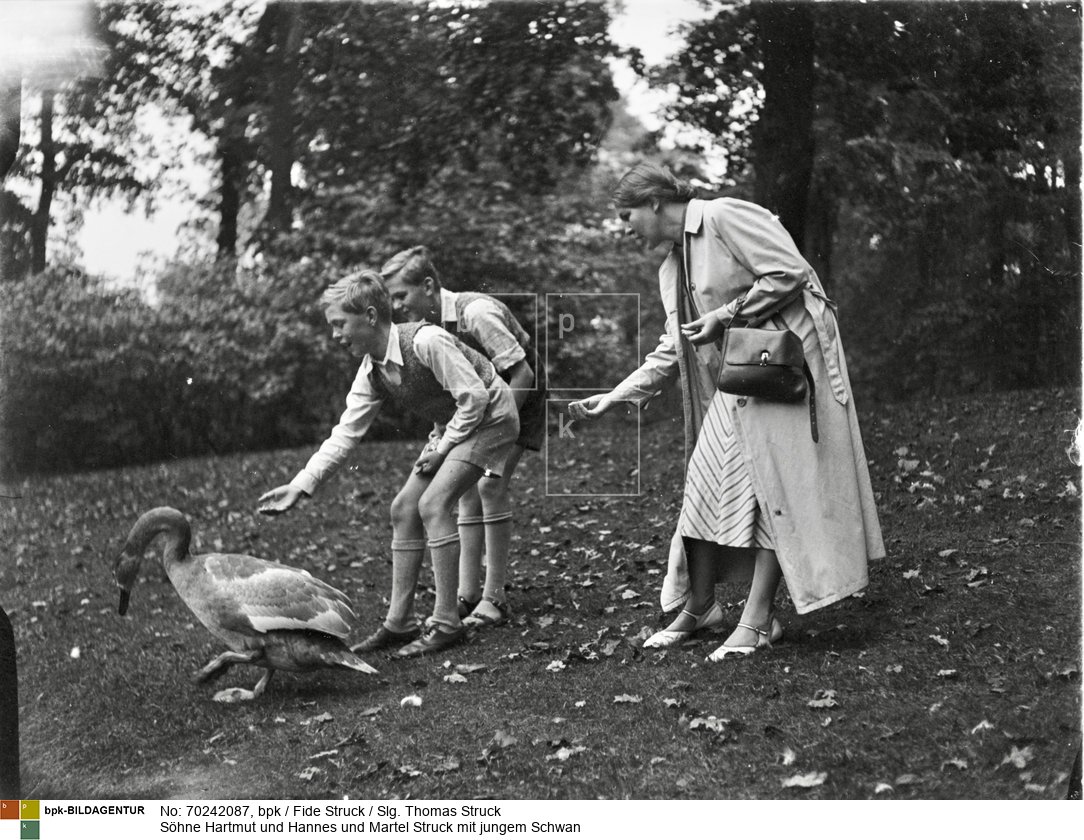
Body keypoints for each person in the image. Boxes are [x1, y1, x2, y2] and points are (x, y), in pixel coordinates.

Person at [569, 162, 884, 661]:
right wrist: (618, 394)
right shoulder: (672, 264)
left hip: (783, 370)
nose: (624, 228)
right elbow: (676, 345)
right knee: (703, 481)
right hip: (736, 384)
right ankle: (700, 607)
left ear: (654, 201)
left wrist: (723, 315)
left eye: (626, 214)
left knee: (770, 492)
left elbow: (789, 271)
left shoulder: (722, 216)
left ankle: (758, 621)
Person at [258, 270, 519, 658]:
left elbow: (476, 398)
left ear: (369, 315)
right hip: (456, 426)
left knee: (433, 504)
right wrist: (302, 483)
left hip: (493, 418)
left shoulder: (426, 340)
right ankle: (399, 624)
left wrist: (444, 446)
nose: (335, 335)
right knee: (403, 509)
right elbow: (346, 433)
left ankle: (447, 622)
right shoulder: (372, 369)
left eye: (338, 324)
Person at [380, 246, 547, 628]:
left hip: (520, 396)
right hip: (477, 404)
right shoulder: (429, 328)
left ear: (428, 285)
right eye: (392, 299)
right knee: (465, 490)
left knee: (491, 486)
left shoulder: (476, 314)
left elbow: (523, 374)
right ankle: (467, 595)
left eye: (402, 296)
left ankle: (495, 598)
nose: (399, 307)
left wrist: (500, 433)